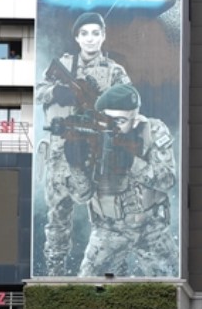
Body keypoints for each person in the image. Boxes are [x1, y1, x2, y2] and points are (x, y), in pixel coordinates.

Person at [38, 10, 133, 275]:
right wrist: (57, 91)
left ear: (103, 37)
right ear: (77, 38)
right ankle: (53, 274)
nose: (90, 39)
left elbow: (129, 105)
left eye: (95, 33)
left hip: (97, 152)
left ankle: (107, 273)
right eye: (84, 34)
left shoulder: (115, 71)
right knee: (57, 216)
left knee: (107, 220)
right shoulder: (64, 65)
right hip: (60, 152)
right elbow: (38, 91)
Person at [73, 84, 177, 278]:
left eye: (119, 120)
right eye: (106, 119)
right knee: (86, 288)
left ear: (135, 119)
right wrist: (75, 166)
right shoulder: (90, 137)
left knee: (170, 286)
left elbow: (168, 180)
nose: (112, 126)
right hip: (108, 229)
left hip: (151, 227)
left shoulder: (152, 130)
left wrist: (132, 163)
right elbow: (81, 196)